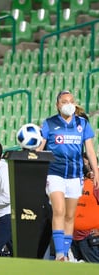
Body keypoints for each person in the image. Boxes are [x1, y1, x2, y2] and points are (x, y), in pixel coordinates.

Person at [37, 90, 99, 261]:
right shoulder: (49, 123)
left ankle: (65, 251)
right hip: (54, 173)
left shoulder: (83, 124)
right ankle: (59, 254)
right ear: (58, 105)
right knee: (59, 210)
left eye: (71, 101)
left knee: (70, 216)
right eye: (64, 101)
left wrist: (97, 171)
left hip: (75, 175)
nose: (68, 104)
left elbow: (90, 151)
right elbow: (39, 148)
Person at [71, 154, 99, 263]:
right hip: (74, 238)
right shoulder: (77, 182)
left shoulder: (96, 183)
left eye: (85, 164)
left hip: (90, 239)